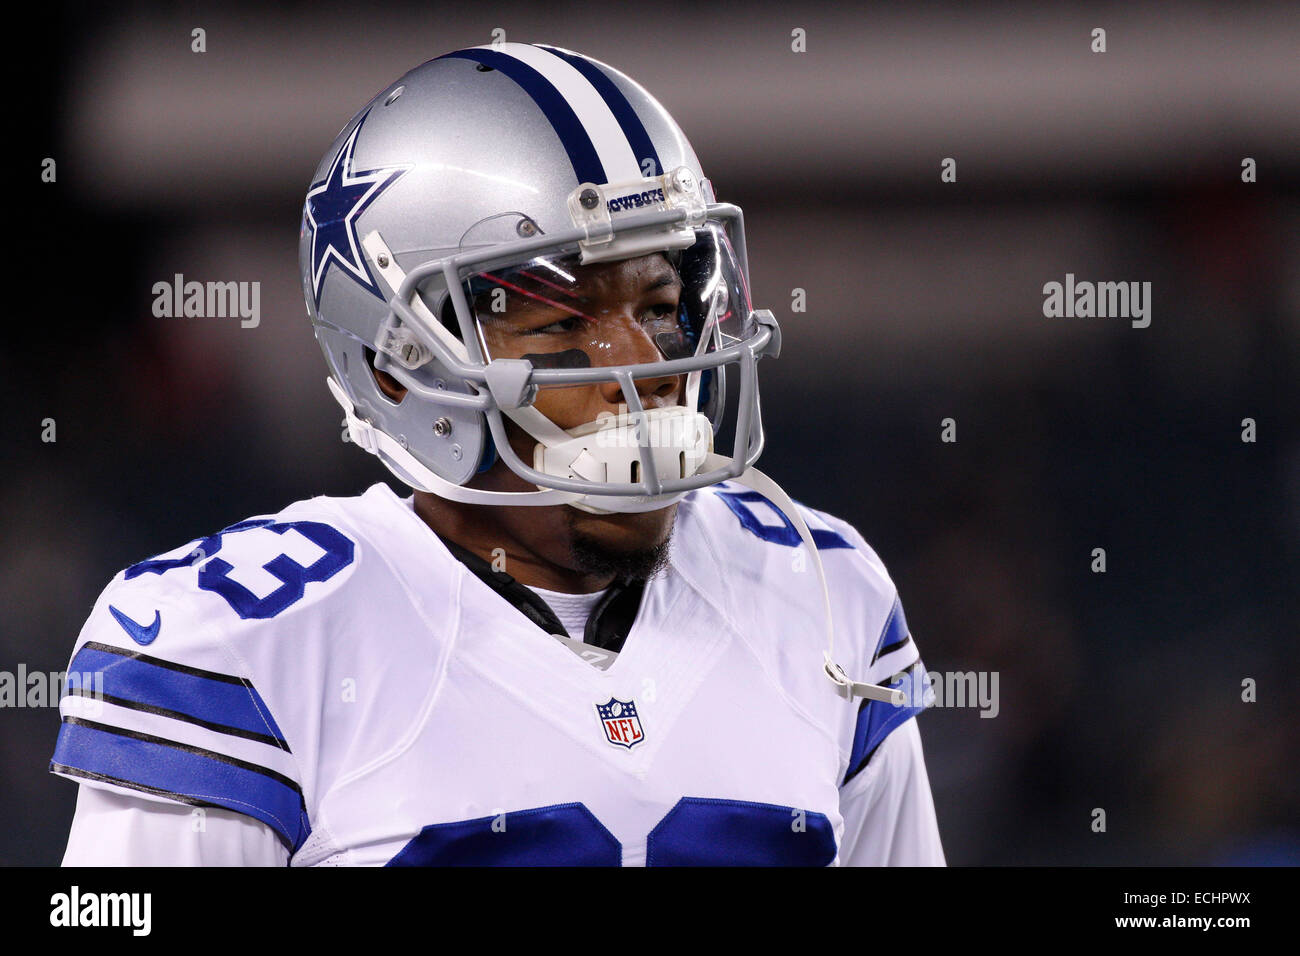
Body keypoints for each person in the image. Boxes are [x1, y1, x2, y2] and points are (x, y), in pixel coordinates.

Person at [51, 42, 944, 866]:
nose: (642, 364)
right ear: (398, 370)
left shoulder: (822, 598)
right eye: (562, 320)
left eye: (662, 303)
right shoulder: (245, 642)